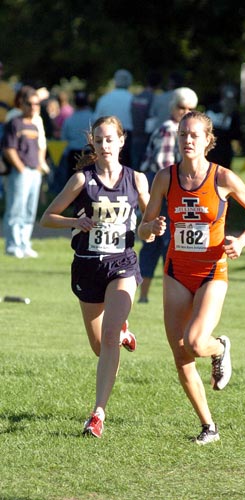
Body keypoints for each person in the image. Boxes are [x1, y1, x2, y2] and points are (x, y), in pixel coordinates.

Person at [138, 111, 245, 444]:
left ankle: (219, 347)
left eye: (194, 135)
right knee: (180, 354)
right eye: (183, 135)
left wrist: (240, 240)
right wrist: (151, 228)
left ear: (207, 140)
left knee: (196, 342)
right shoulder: (165, 178)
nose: (188, 141)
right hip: (176, 271)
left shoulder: (222, 178)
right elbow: (144, 229)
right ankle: (208, 426)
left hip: (212, 270)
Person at [40, 115, 151, 438]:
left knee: (110, 333)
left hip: (123, 264)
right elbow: (48, 218)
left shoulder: (136, 180)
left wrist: (153, 228)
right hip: (87, 266)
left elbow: (148, 220)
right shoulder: (81, 181)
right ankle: (122, 334)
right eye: (99, 140)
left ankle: (97, 413)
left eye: (110, 139)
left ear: (121, 141)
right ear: (93, 143)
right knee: (100, 346)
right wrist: (75, 223)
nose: (105, 145)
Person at [138, 87, 198, 304]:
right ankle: (151, 294)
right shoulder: (169, 129)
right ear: (173, 107)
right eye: (182, 107)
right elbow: (164, 167)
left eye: (190, 108)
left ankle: (151, 295)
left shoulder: (179, 130)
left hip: (163, 191)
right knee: (163, 243)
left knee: (157, 243)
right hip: (164, 193)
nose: (185, 112)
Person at [2, 87, 49, 258]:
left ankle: (24, 243)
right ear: (22, 104)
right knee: (16, 209)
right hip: (19, 172)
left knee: (29, 210)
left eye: (37, 104)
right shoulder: (15, 122)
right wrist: (20, 168)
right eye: (30, 104)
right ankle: (13, 245)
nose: (34, 107)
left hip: (34, 171)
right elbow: (9, 148)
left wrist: (38, 166)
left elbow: (39, 148)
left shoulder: (35, 124)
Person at [93, 69, 134, 166]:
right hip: (128, 136)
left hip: (105, 135)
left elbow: (96, 120)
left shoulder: (104, 99)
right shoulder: (133, 99)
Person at [130, 70, 162, 170]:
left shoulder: (136, 97)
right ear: (158, 84)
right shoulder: (155, 98)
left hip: (134, 135)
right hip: (147, 138)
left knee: (134, 167)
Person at [60, 90, 93, 186]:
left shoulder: (69, 119)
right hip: (90, 153)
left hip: (73, 154)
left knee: (73, 183)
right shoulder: (94, 117)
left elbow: (64, 138)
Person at [205, 84, 241, 169]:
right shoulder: (212, 109)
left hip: (224, 151)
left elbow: (236, 134)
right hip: (212, 149)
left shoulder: (234, 114)